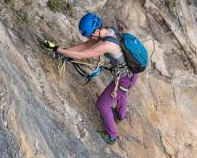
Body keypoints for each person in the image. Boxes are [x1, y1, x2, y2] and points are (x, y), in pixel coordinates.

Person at [41, 13, 139, 144]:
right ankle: (120, 115)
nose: (88, 38)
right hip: (131, 74)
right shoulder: (108, 31)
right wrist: (64, 51)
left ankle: (112, 136)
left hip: (125, 79)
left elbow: (81, 55)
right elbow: (86, 45)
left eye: (89, 35)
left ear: (95, 32)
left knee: (102, 104)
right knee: (121, 93)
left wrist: (56, 49)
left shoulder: (107, 44)